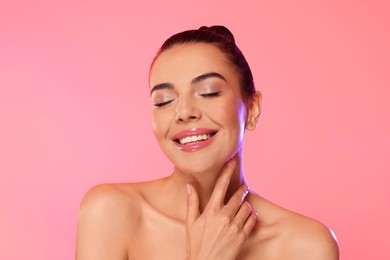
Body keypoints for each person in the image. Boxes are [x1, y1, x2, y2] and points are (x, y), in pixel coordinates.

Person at [76, 25, 339, 259]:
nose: (184, 112)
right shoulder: (110, 213)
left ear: (253, 109)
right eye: (164, 101)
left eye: (208, 92)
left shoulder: (305, 246)